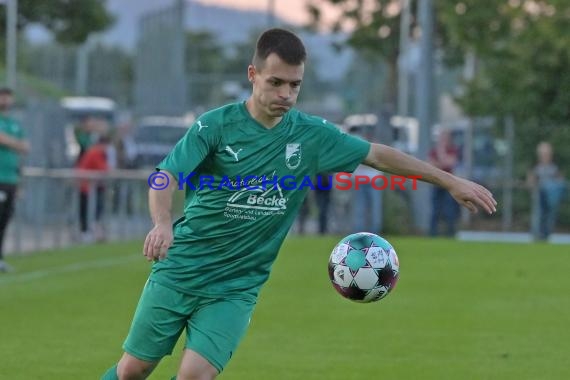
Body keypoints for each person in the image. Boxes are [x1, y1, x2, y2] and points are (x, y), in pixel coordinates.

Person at [101, 28, 497, 380]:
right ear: (252, 75)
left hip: (237, 285)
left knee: (195, 376)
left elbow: (377, 155)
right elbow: (163, 176)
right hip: (182, 268)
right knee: (134, 370)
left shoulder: (310, 135)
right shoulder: (214, 126)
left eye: (295, 85)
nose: (285, 95)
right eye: (276, 83)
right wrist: (162, 222)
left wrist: (449, 180)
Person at [0, 87, 29, 272]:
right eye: (3, 98)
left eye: (8, 98)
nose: (6, 102)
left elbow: (26, 148)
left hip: (11, 179)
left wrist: (7, 141)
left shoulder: (15, 124)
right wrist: (15, 143)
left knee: (5, 219)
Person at [76, 135, 111, 243]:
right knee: (88, 211)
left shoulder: (97, 152)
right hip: (87, 187)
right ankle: (87, 234)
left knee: (93, 211)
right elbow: (103, 168)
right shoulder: (95, 152)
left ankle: (92, 233)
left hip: (91, 186)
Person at [527, 141, 565, 240]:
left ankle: (546, 234)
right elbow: (531, 181)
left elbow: (560, 180)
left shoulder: (554, 167)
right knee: (538, 215)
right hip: (539, 196)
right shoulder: (536, 167)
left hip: (550, 197)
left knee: (549, 216)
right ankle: (536, 234)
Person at [428, 130, 461, 237]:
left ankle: (450, 233)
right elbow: (430, 166)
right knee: (435, 210)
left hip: (449, 184)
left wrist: (441, 152)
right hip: (436, 183)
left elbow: (449, 163)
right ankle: (433, 234)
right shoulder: (433, 151)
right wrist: (442, 161)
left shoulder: (452, 150)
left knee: (449, 209)